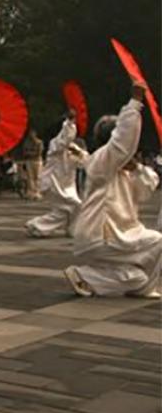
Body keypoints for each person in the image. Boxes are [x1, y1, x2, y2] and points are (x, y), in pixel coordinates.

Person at [64, 82, 161, 299]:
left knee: (136, 277)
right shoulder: (101, 161)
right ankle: (87, 275)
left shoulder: (124, 169)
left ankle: (88, 277)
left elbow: (148, 186)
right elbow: (122, 143)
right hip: (103, 234)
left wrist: (135, 167)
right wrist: (135, 104)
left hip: (117, 235)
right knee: (158, 242)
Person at [25, 110, 87, 237]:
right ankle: (37, 224)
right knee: (75, 206)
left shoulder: (73, 147)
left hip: (67, 185)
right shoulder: (55, 144)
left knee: (65, 211)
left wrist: (79, 154)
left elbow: (84, 162)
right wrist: (70, 122)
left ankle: (41, 227)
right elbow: (63, 141)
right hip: (53, 183)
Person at [20, 130, 44, 201]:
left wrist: (30, 153)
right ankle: (31, 193)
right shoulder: (27, 143)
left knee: (38, 176)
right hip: (29, 161)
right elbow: (24, 152)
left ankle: (37, 192)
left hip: (37, 161)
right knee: (30, 177)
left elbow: (39, 152)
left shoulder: (39, 142)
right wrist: (30, 153)